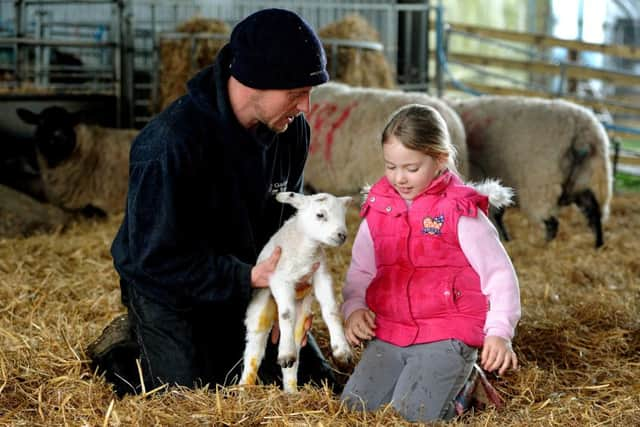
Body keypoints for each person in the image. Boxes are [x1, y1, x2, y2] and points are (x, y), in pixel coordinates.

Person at [87, 8, 338, 396]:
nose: (306, 107)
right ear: (257, 81)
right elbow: (154, 261)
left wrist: (285, 292)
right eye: (296, 94)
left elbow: (286, 221)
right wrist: (247, 278)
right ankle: (128, 347)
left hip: (251, 275)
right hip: (170, 290)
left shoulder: (291, 131)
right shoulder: (169, 144)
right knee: (189, 396)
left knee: (314, 383)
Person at [339, 104, 521, 422]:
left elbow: (500, 276)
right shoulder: (378, 207)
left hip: (447, 333)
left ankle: (464, 390)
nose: (399, 178)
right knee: (353, 410)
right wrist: (353, 307)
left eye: (411, 168)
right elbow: (361, 270)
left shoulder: (459, 211)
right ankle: (449, 382)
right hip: (390, 331)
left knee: (410, 415)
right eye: (390, 166)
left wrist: (499, 332)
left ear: (439, 159)